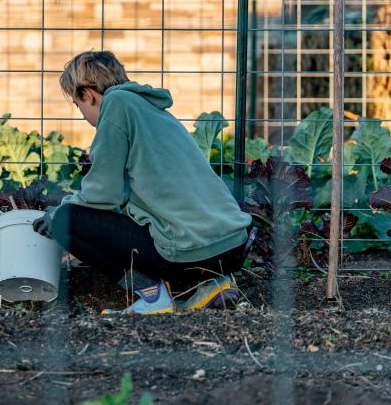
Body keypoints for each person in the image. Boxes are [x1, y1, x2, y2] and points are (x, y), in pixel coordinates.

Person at [33, 50, 253, 315]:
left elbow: (103, 194)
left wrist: (58, 212)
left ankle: (152, 296)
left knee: (67, 219)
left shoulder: (116, 106)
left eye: (78, 106)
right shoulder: (153, 110)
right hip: (232, 248)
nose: (82, 115)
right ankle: (210, 284)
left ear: (87, 95)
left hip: (187, 252)